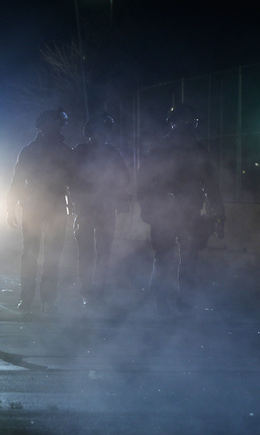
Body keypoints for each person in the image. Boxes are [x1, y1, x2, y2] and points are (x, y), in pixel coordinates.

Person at [136, 104, 225, 315]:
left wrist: (220, 213)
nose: (185, 126)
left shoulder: (172, 149)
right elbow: (143, 183)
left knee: (179, 258)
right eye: (183, 122)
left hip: (185, 212)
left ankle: (178, 303)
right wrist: (148, 207)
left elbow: (211, 185)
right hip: (167, 213)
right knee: (172, 258)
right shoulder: (166, 149)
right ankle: (173, 303)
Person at [7, 108, 74, 315]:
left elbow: (75, 181)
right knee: (31, 255)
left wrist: (75, 205)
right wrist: (11, 207)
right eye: (52, 124)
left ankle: (47, 300)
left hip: (54, 206)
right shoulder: (30, 151)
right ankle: (27, 299)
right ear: (43, 126)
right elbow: (17, 180)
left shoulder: (63, 151)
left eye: (58, 124)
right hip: (35, 207)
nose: (55, 128)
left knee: (52, 257)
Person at [70, 111, 130, 307]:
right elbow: (69, 177)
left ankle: (98, 291)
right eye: (99, 130)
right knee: (87, 252)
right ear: (90, 132)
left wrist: (119, 197)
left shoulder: (111, 153)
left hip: (104, 208)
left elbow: (123, 179)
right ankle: (87, 290)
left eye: (104, 131)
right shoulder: (80, 152)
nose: (102, 134)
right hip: (87, 208)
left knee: (103, 252)